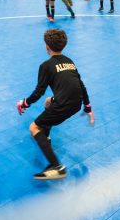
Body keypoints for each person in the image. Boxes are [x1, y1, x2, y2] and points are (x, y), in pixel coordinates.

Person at [16, 29, 94, 180]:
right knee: (48, 102)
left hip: (64, 104)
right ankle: (46, 136)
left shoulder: (45, 66)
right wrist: (88, 106)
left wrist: (24, 103)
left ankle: (57, 167)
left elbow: (38, 92)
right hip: (76, 102)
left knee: (33, 127)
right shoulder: (69, 61)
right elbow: (81, 85)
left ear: (47, 46)